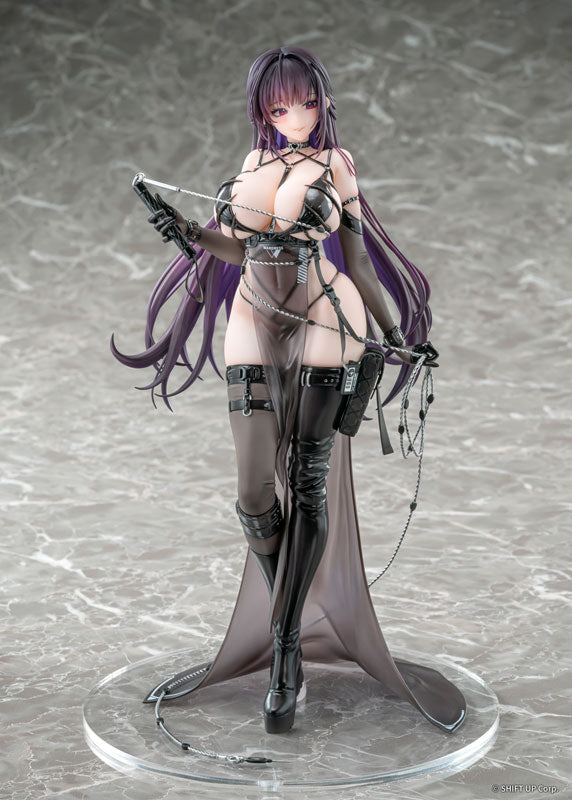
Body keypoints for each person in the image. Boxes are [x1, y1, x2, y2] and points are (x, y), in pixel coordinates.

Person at [111, 46, 465, 738]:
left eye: (306, 102)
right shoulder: (251, 164)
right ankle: (290, 620)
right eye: (280, 107)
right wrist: (188, 231)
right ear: (262, 111)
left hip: (327, 319)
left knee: (305, 484)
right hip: (253, 317)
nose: (296, 116)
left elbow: (357, 261)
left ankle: (284, 653)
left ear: (323, 100)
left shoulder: (337, 165)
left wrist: (398, 334)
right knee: (253, 492)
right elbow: (237, 248)